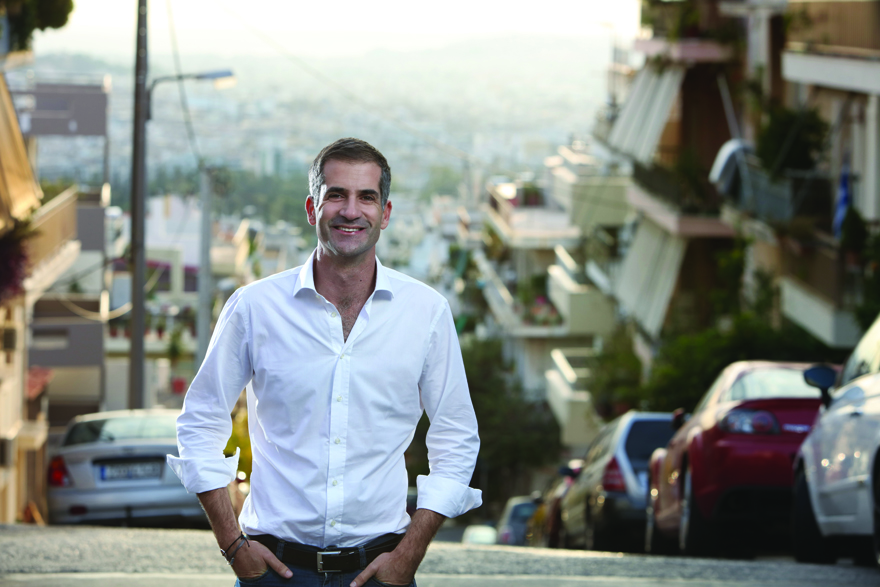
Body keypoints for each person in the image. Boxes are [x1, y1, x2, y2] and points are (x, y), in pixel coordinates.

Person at [168, 138, 481, 587]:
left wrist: (409, 555)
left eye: (366, 197)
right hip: (273, 574)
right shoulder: (254, 308)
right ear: (312, 209)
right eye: (336, 195)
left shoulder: (426, 312)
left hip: (381, 572)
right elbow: (200, 422)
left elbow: (456, 436)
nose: (351, 211)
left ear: (385, 214)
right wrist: (234, 547)